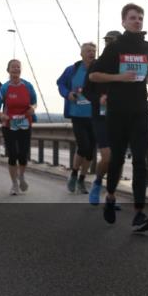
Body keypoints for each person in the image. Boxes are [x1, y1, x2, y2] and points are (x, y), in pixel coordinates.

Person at [89, 4, 148, 232]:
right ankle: (109, 197)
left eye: (140, 18)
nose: (137, 21)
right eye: (133, 18)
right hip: (117, 113)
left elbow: (145, 69)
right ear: (124, 22)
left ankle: (139, 213)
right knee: (116, 159)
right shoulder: (114, 48)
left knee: (140, 161)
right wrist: (119, 77)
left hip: (140, 112)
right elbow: (94, 75)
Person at [84, 30, 121, 207]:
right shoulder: (96, 65)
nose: (108, 44)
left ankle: (111, 195)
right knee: (106, 156)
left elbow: (145, 69)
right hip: (100, 116)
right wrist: (98, 99)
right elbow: (86, 90)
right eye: (106, 41)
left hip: (121, 116)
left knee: (117, 159)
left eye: (112, 41)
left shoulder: (124, 65)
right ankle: (97, 183)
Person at [56, 42, 97, 194]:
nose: (91, 53)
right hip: (77, 114)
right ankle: (74, 174)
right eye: (88, 51)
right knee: (84, 145)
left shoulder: (99, 69)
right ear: (81, 54)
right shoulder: (72, 70)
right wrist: (68, 94)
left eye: (93, 51)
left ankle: (81, 179)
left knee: (90, 150)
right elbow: (60, 83)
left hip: (95, 116)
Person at [0, 59, 38, 196]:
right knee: (13, 155)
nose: (16, 69)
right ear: (8, 70)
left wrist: (32, 109)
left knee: (23, 155)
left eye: (18, 67)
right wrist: (1, 115)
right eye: (13, 67)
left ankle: (21, 176)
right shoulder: (4, 88)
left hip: (25, 124)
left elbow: (34, 103)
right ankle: (14, 184)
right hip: (9, 125)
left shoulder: (28, 86)